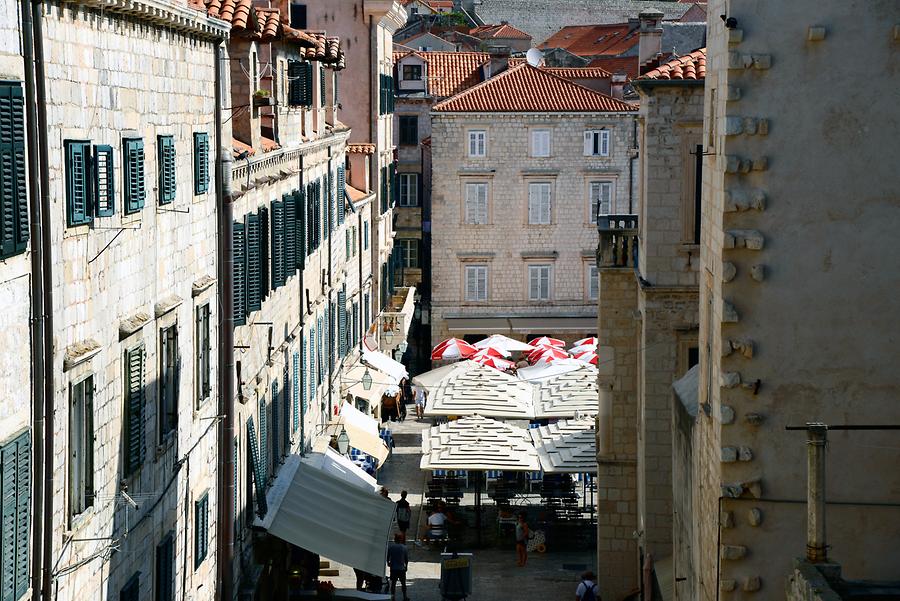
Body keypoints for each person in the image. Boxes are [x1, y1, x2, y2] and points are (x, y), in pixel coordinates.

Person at [387, 533, 409, 601]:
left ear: (395, 539)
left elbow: (387, 557)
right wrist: (406, 567)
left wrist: (388, 563)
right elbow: (406, 559)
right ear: (401, 539)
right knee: (403, 584)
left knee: (393, 584)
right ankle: (405, 597)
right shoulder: (404, 547)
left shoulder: (391, 547)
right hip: (401, 568)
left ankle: (393, 597)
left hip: (393, 568)